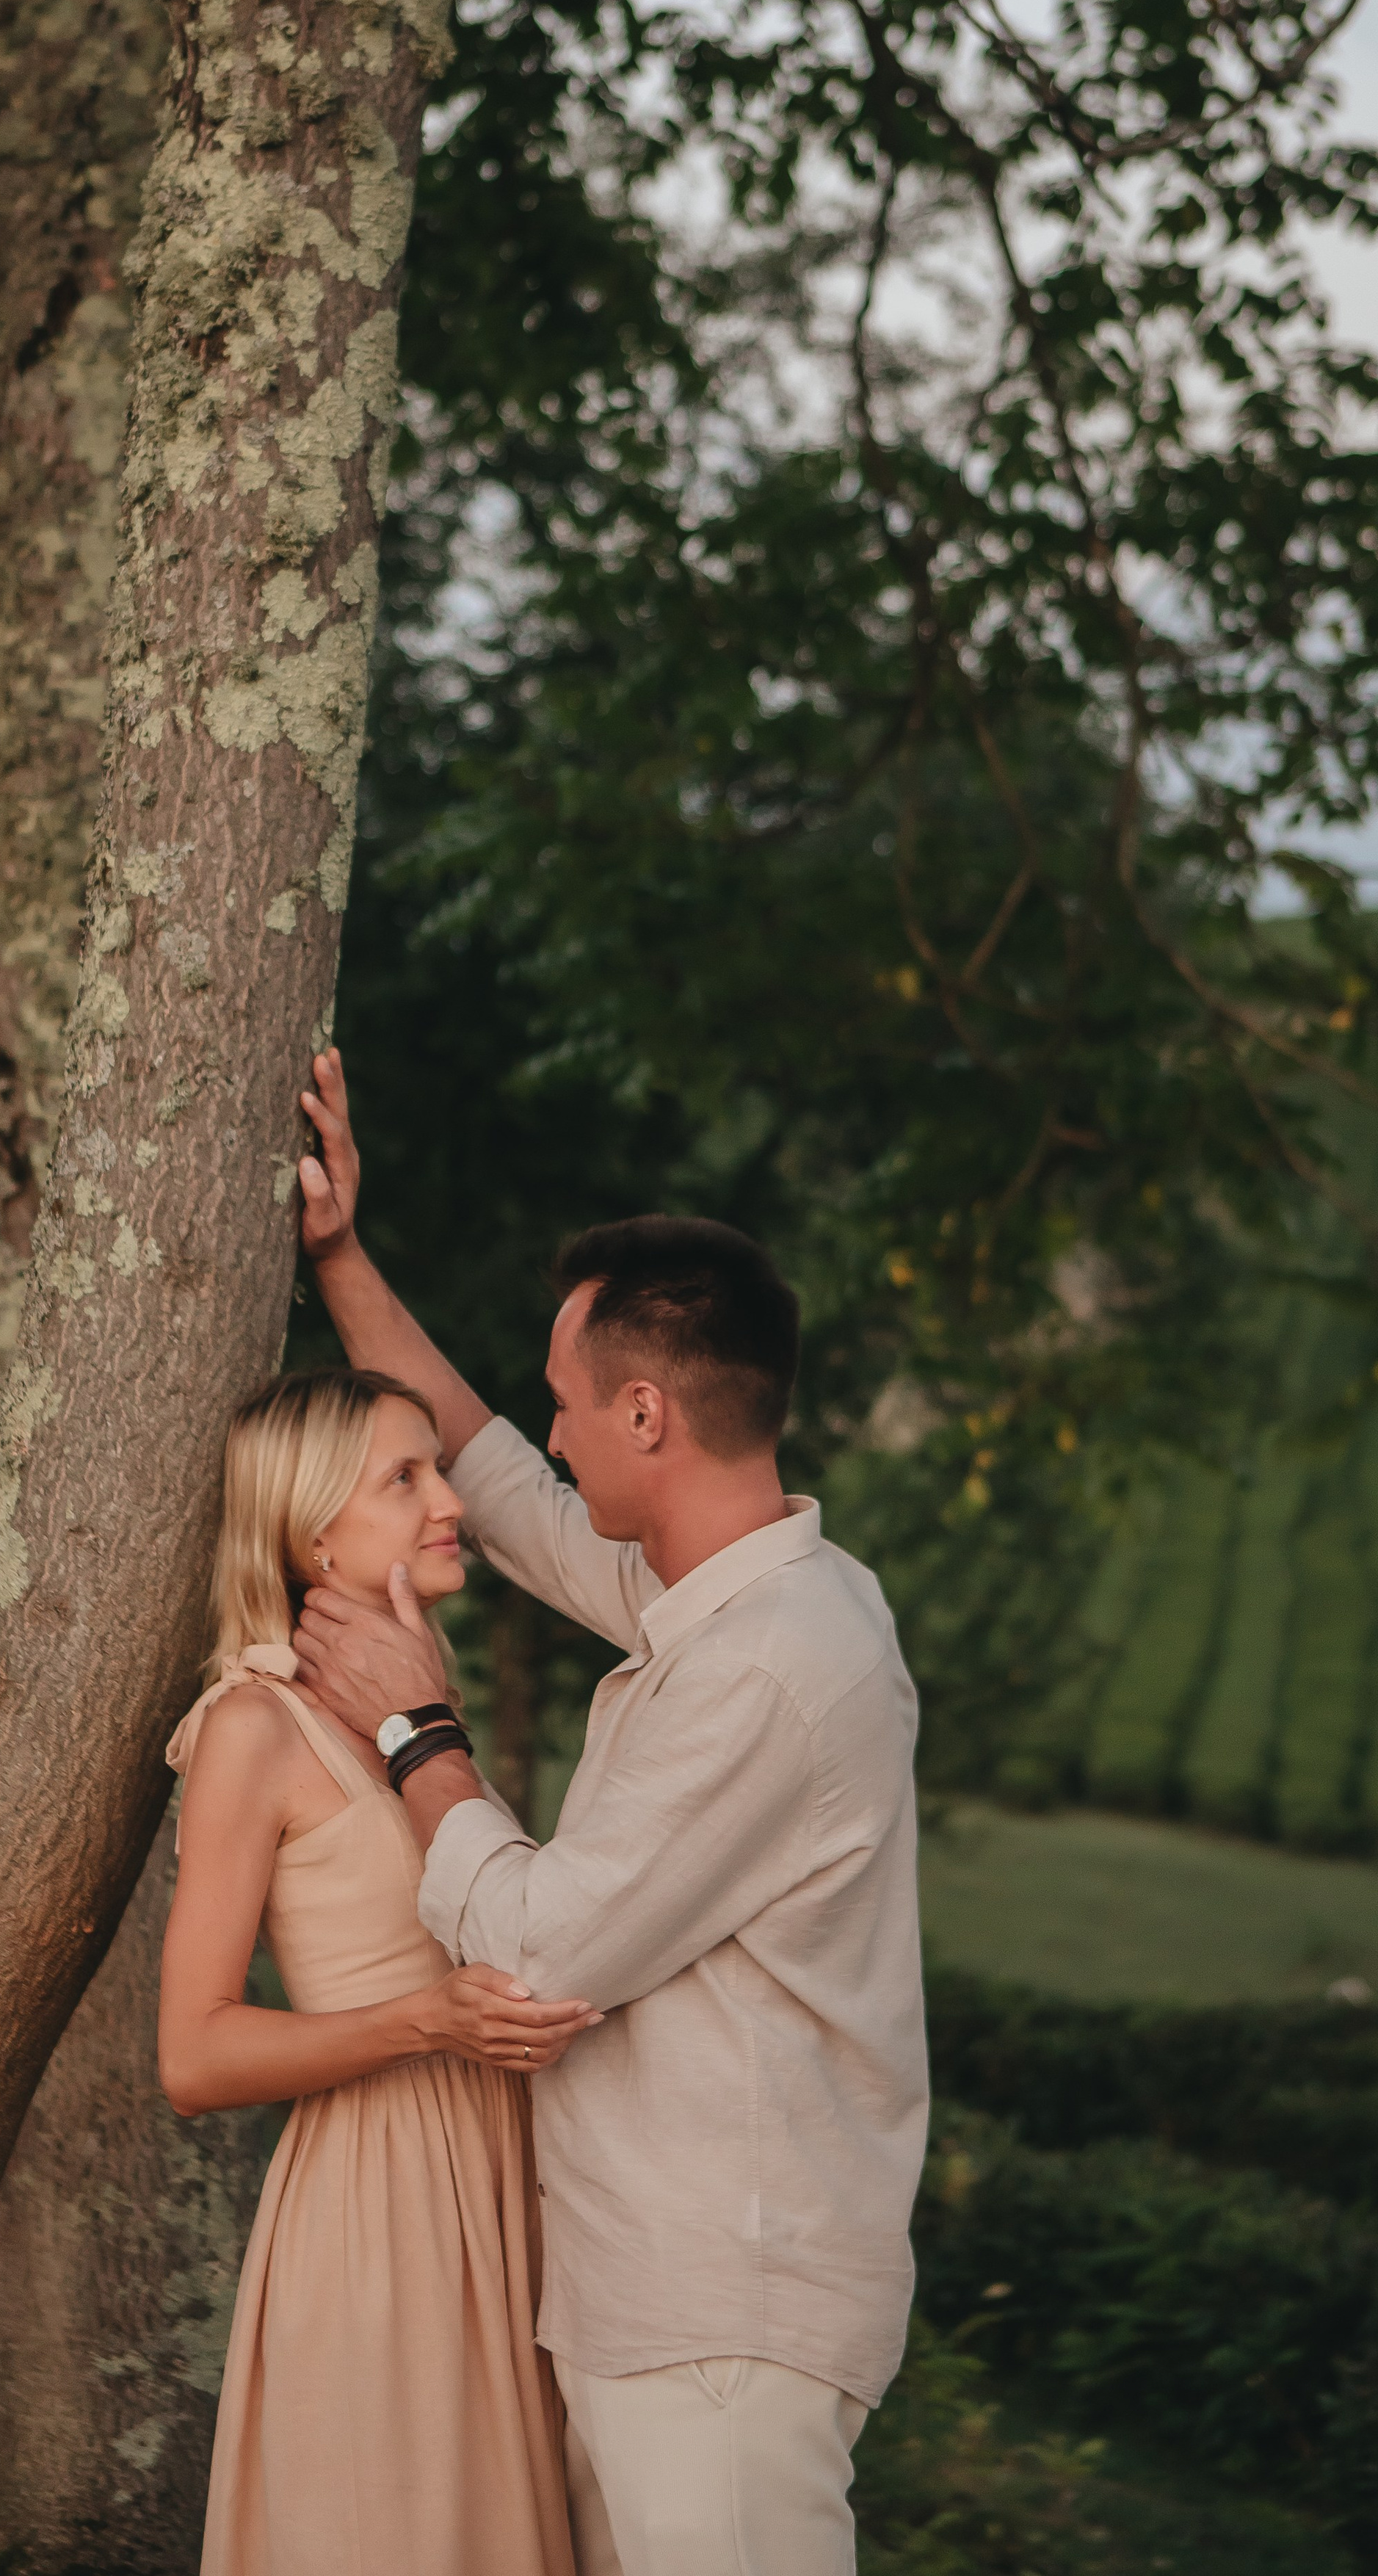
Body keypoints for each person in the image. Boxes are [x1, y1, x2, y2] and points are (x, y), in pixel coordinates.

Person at [289, 1049, 929, 2576]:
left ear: (645, 1411)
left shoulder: (772, 1666)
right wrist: (340, 1257)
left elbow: (539, 1952)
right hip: (659, 2302)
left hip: (723, 2322)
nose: (554, 1433)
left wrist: (415, 1728)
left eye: (571, 1403)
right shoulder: (742, 1594)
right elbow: (507, 1488)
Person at [158, 1364, 594, 2576]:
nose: (449, 1500)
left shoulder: (418, 1703)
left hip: (500, 2182)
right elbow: (193, 2052)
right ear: (313, 1533)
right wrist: (425, 2022)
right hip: (380, 2205)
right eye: (405, 1478)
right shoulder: (253, 1726)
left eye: (437, 1468)